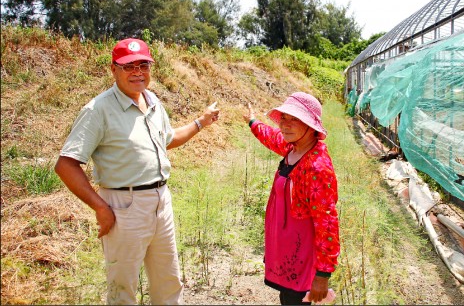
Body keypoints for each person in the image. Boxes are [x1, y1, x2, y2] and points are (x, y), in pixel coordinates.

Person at [54, 37, 219, 305]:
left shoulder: (152, 100)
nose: (137, 72)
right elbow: (66, 165)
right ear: (113, 70)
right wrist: (100, 207)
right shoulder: (99, 110)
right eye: (128, 66)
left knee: (169, 281)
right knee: (123, 289)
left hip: (160, 202)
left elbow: (168, 139)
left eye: (143, 65)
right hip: (124, 206)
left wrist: (201, 122)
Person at [243, 92, 340, 305]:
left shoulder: (316, 167)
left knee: (294, 300)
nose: (285, 125)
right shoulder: (293, 147)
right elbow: (270, 136)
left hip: (303, 255)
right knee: (287, 298)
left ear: (310, 124)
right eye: (284, 118)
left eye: (294, 119)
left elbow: (327, 223)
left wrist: (323, 275)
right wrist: (252, 121)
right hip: (287, 249)